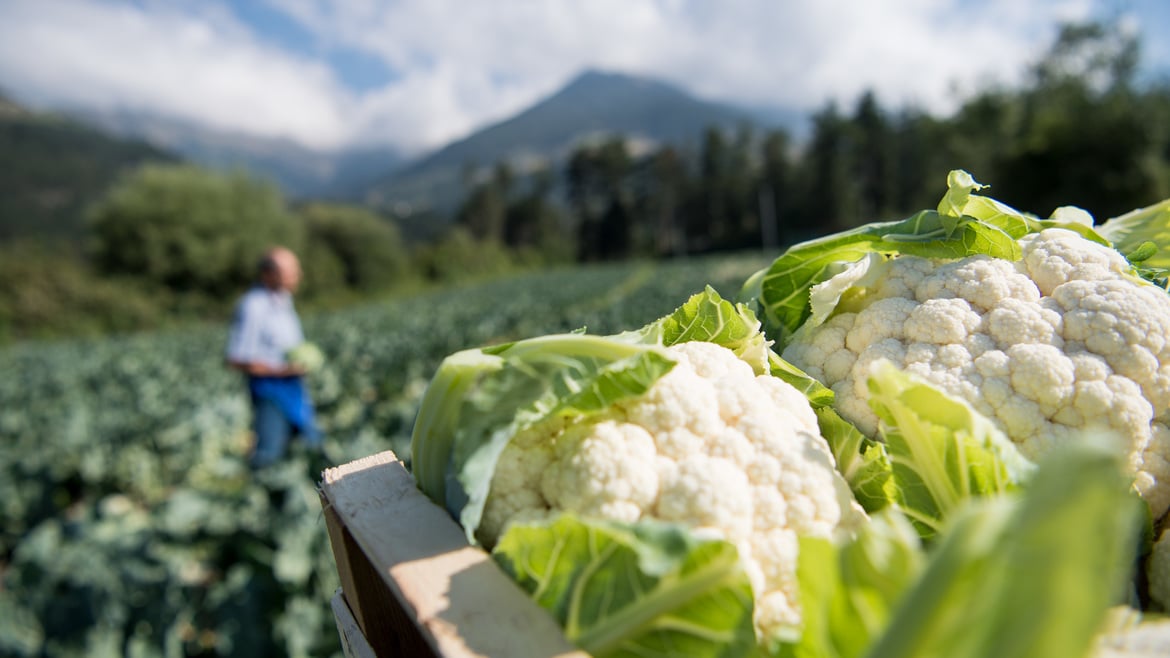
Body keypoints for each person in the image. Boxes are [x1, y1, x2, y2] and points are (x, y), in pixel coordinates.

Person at [226, 246, 322, 469]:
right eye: (291, 272)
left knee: (311, 447)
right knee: (269, 455)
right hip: (269, 391)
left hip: (294, 388)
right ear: (268, 274)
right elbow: (236, 359)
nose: (297, 277)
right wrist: (282, 370)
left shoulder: (283, 300)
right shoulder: (253, 306)